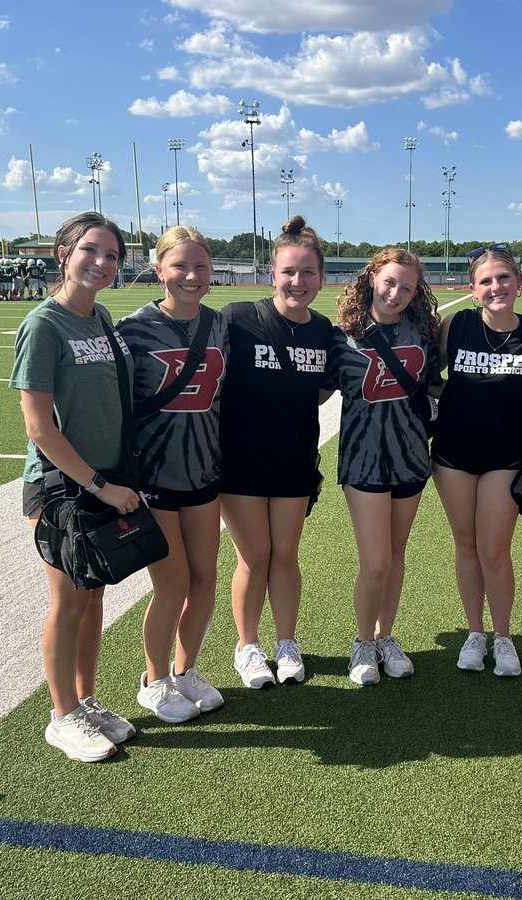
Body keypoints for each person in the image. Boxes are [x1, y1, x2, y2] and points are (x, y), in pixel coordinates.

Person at [10, 211, 139, 763]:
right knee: (67, 600)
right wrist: (100, 486)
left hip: (104, 478)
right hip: (62, 487)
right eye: (90, 249)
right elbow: (39, 427)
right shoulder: (44, 325)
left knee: (94, 595)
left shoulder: (101, 316)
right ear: (63, 253)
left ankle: (85, 701)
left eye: (112, 255)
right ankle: (61, 716)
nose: (101, 262)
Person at [116, 226, 228, 723]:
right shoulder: (133, 330)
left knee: (204, 580)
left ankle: (185, 671)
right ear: (159, 269)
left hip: (204, 470)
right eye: (180, 265)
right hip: (154, 476)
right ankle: (154, 678)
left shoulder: (220, 325)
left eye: (200, 266)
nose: (191, 275)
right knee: (172, 584)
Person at [219, 216, 333, 689]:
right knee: (255, 555)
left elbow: (322, 391)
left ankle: (287, 642)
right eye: (289, 271)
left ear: (321, 279)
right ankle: (247, 646)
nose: (297, 281)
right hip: (240, 462)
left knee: (285, 554)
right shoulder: (237, 317)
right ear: (273, 275)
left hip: (294, 460)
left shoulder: (323, 330)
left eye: (308, 272)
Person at [327, 249, 442, 686]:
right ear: (372, 277)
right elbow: (313, 392)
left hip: (411, 457)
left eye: (406, 288)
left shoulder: (424, 334)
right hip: (363, 459)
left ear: (416, 293)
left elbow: (435, 387)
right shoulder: (343, 336)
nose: (395, 293)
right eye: (390, 282)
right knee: (375, 562)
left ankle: (385, 636)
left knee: (395, 555)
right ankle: (362, 641)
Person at [432, 244, 522, 677]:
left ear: (518, 282)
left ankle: (504, 636)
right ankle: (475, 633)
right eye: (486, 281)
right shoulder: (456, 325)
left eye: (503, 278)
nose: (496, 287)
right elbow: (427, 374)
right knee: (465, 544)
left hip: (507, 455)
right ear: (473, 289)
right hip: (453, 452)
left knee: (494, 549)